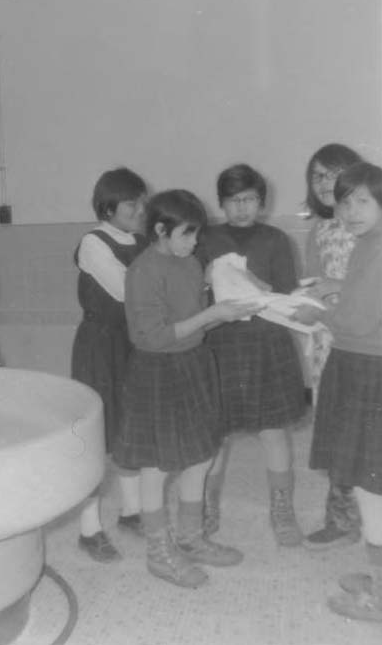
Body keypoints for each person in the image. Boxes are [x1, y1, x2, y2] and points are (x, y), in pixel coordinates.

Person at [115, 189, 260, 588]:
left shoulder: (190, 262)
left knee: (201, 456)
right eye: (187, 234)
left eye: (196, 234)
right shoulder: (143, 271)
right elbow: (151, 337)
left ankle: (190, 538)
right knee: (157, 466)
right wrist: (213, 312)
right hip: (157, 371)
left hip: (194, 364)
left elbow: (196, 322)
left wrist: (229, 311)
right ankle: (158, 552)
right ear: (161, 230)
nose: (195, 242)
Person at [196, 164, 308, 547]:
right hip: (220, 344)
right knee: (217, 434)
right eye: (233, 200)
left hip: (267, 342)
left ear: (262, 202)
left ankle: (282, 508)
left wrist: (255, 283)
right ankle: (206, 506)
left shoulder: (276, 239)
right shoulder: (206, 238)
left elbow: (288, 296)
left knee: (273, 430)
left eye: (250, 199)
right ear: (221, 203)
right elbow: (192, 295)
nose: (242, 207)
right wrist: (205, 279)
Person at [294, 162, 382, 621]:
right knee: (373, 481)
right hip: (365, 363)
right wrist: (337, 287)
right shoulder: (370, 242)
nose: (351, 211)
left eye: (363, 201)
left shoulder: (378, 246)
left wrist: (318, 313)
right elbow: (366, 296)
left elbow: (359, 322)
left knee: (373, 485)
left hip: (368, 366)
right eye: (345, 202)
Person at [71, 168, 148, 562]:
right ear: (108, 207)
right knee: (97, 439)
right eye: (131, 203)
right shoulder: (93, 242)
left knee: (131, 429)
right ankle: (89, 530)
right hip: (99, 348)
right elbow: (127, 290)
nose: (140, 210)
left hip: (133, 344)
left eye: (141, 202)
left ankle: (132, 512)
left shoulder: (142, 242)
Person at [300, 143, 363, 550]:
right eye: (317, 175)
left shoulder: (370, 226)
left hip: (368, 342)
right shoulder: (318, 230)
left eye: (334, 173)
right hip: (329, 341)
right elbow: (311, 283)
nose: (324, 183)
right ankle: (341, 519)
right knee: (337, 429)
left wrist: (339, 287)